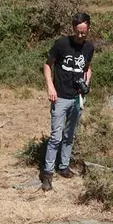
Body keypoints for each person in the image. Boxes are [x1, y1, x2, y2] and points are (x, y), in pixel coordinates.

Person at [40, 12, 95, 192]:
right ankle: (47, 173)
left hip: (76, 98)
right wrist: (50, 87)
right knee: (56, 136)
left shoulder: (89, 47)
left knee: (69, 135)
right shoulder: (61, 44)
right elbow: (48, 65)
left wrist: (86, 83)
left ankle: (63, 166)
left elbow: (88, 68)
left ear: (88, 29)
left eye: (84, 32)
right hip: (60, 96)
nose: (80, 36)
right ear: (73, 29)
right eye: (78, 32)